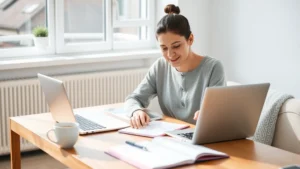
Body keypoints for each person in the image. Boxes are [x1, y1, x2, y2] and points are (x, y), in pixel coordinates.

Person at [124, 4, 226, 129]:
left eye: (176, 46)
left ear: (190, 39)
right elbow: (133, 99)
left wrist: (212, 114)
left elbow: (220, 112)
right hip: (171, 137)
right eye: (164, 48)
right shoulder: (160, 67)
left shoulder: (213, 68)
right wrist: (136, 111)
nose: (170, 54)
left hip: (202, 137)